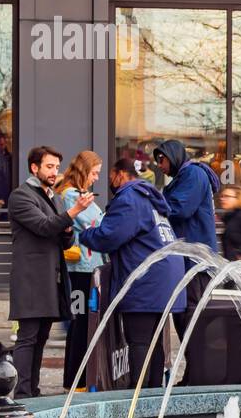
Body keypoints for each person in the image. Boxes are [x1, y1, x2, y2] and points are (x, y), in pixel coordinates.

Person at [79, 158, 187, 390]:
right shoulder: (151, 199)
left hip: (147, 280)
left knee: (139, 340)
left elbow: (109, 236)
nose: (109, 182)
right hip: (167, 278)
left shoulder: (129, 197)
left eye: (110, 177)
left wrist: (86, 234)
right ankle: (152, 393)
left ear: (120, 174)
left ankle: (137, 399)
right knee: (155, 340)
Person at [8, 146, 93, 399]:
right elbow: (44, 227)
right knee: (28, 338)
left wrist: (67, 231)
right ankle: (22, 394)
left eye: (57, 167)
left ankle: (33, 391)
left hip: (51, 278)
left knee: (41, 337)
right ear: (34, 168)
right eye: (49, 166)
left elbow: (63, 239)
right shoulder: (20, 196)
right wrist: (73, 212)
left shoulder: (52, 197)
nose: (55, 172)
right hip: (31, 279)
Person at [153, 139, 221, 340]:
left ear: (173, 156)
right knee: (184, 314)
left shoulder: (193, 174)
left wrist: (152, 206)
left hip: (195, 260)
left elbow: (180, 209)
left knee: (191, 315)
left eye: (161, 160)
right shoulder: (184, 176)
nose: (159, 165)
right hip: (188, 258)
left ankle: (198, 364)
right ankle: (194, 364)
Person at [56, 151, 106, 390]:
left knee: (86, 323)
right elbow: (95, 223)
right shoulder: (71, 196)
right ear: (84, 170)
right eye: (94, 172)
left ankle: (80, 378)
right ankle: (76, 380)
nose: (96, 178)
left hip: (89, 267)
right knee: (81, 324)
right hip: (80, 269)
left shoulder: (81, 195)